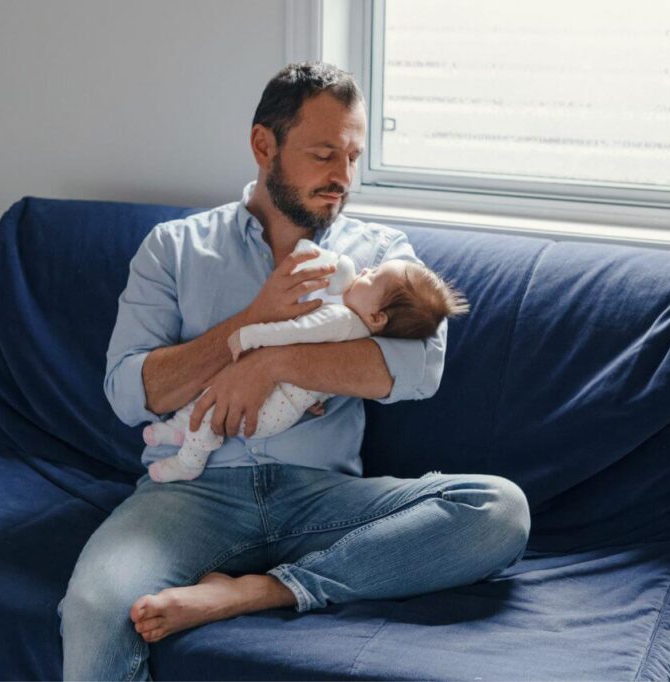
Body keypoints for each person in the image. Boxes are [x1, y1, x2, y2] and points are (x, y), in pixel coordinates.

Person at [58, 61, 530, 681]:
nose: (343, 179)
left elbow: (419, 370)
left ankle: (265, 591)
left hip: (323, 499)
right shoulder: (174, 249)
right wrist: (252, 320)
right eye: (324, 155)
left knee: (499, 511)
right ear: (264, 146)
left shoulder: (381, 256)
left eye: (353, 158)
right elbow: (130, 392)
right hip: (192, 495)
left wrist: (274, 361)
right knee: (94, 606)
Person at [144, 239, 470, 483]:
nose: (365, 270)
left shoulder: (339, 318)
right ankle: (176, 431)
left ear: (377, 316)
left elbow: (294, 331)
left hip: (271, 417)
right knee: (214, 397)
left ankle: (189, 460)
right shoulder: (359, 335)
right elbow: (328, 378)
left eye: (371, 277)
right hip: (286, 410)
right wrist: (312, 396)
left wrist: (251, 335)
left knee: (214, 408)